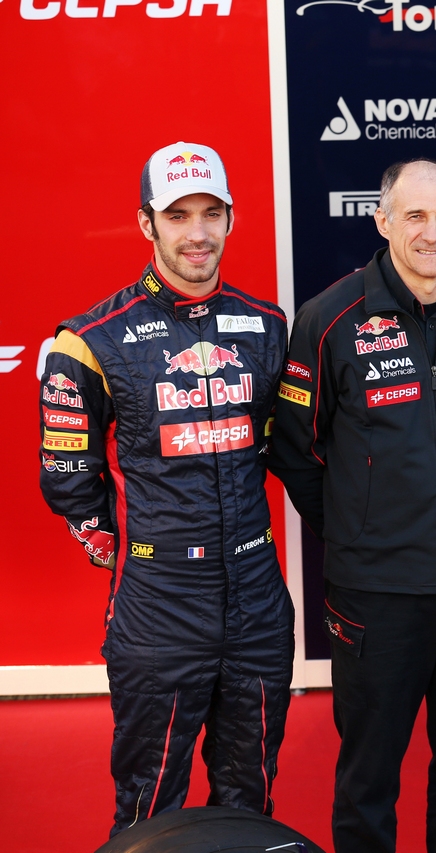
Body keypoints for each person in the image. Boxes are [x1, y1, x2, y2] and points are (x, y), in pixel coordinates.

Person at [269, 159, 436, 853]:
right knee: (369, 772)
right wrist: (358, 527)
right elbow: (294, 447)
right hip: (376, 591)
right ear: (382, 221)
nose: (431, 232)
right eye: (414, 215)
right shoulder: (328, 320)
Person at [38, 142, 293, 836]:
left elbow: (285, 444)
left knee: (252, 793)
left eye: (212, 213)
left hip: (258, 593)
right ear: (147, 224)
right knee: (152, 804)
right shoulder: (91, 338)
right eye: (178, 215)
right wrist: (134, 555)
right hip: (159, 602)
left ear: (232, 219)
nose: (198, 233)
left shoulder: (268, 326)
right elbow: (68, 478)